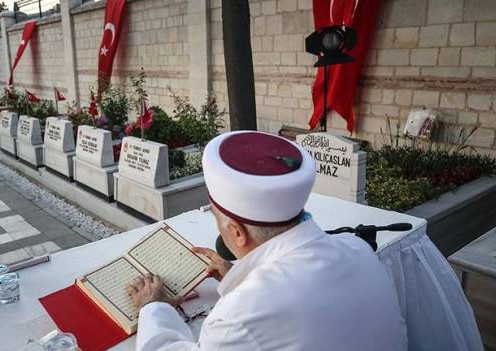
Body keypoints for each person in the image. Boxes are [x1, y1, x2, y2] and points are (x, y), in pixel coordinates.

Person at [126, 131, 407, 351]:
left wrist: (154, 307)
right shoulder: (357, 248)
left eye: (215, 217)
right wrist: (236, 275)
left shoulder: (239, 315)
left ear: (237, 232)